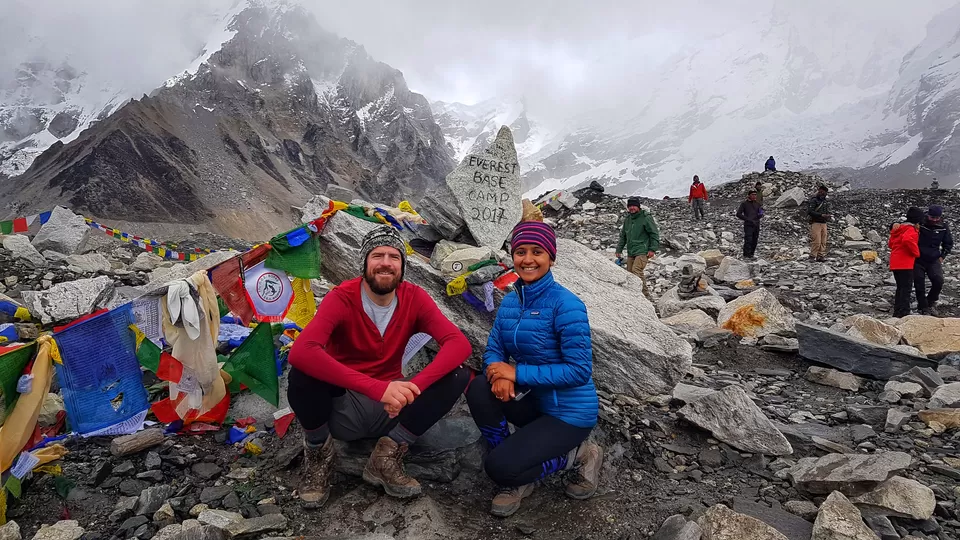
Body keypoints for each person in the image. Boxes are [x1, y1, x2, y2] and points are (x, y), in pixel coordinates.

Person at [286, 225, 472, 507]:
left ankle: (386, 456)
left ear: (402, 266)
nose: (386, 263)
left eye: (394, 257)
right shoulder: (342, 298)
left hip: (393, 409)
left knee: (458, 374)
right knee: (303, 372)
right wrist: (377, 389)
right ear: (364, 263)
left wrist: (413, 387)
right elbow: (301, 351)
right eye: (377, 255)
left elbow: (459, 344)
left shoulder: (414, 298)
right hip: (345, 407)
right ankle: (318, 453)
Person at [467, 220, 601, 518]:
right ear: (513, 257)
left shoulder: (567, 305)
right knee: (478, 387)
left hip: (569, 414)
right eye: (521, 252)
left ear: (551, 258)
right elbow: (494, 349)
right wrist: (498, 374)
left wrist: (515, 374)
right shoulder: (511, 302)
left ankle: (579, 454)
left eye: (537, 252)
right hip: (535, 403)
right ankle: (515, 464)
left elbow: (579, 370)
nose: (528, 259)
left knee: (498, 469)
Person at [616, 197, 660, 298]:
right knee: (630, 273)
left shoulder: (646, 217)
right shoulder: (628, 219)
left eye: (634, 206)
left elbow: (654, 233)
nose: (632, 208)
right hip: (631, 250)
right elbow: (623, 236)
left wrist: (652, 249)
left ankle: (645, 296)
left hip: (642, 250)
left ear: (638, 207)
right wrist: (619, 249)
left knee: (636, 270)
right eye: (630, 206)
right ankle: (634, 295)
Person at [915, 205, 953, 316]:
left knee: (938, 281)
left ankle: (930, 301)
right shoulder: (919, 223)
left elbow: (948, 243)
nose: (935, 220)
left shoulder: (943, 227)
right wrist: (894, 224)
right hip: (918, 258)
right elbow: (905, 225)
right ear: (928, 215)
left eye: (937, 218)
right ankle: (922, 307)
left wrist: (943, 256)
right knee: (919, 283)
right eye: (932, 217)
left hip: (934, 258)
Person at [889, 208, 923, 317]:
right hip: (905, 263)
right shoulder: (911, 229)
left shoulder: (898, 228)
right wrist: (916, 252)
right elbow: (907, 239)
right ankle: (904, 312)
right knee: (906, 288)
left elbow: (891, 244)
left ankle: (897, 311)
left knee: (900, 288)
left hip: (895, 262)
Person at [736, 190, 763, 259]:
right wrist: (747, 219)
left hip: (756, 224)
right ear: (749, 195)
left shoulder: (757, 204)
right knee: (748, 239)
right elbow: (738, 214)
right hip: (748, 224)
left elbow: (760, 212)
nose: (754, 196)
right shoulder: (744, 204)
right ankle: (746, 254)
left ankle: (752, 254)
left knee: (755, 240)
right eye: (753, 195)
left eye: (755, 195)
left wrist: (760, 214)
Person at [807, 185, 832, 261]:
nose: (823, 193)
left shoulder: (825, 201)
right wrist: (821, 215)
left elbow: (826, 210)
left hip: (824, 223)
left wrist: (828, 216)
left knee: (823, 241)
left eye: (824, 192)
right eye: (821, 192)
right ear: (819, 191)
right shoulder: (814, 200)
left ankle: (820, 256)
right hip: (816, 223)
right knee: (816, 240)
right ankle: (812, 256)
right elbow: (810, 211)